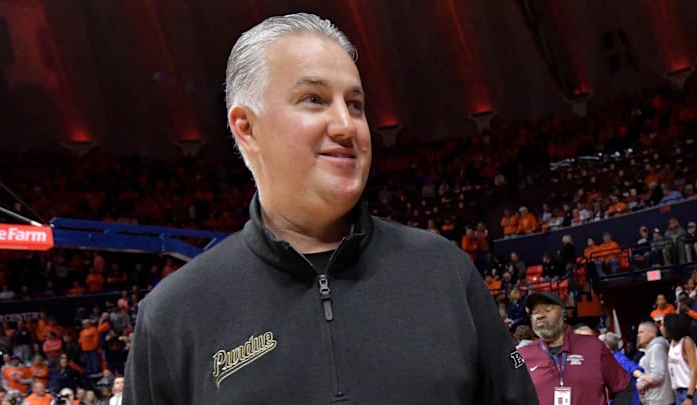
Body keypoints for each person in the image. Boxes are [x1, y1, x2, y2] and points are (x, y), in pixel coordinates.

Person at [124, 12, 538, 404]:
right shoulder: (173, 314)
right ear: (247, 128)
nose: (346, 125)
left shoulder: (446, 272)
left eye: (355, 104)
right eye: (313, 99)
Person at [518, 292, 633, 404]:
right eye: (534, 313)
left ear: (564, 314)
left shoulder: (593, 346)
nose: (540, 316)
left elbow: (624, 388)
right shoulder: (521, 355)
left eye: (547, 310)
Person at [599, 332, 644, 405]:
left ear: (606, 346)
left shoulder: (618, 358)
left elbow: (631, 367)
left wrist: (641, 376)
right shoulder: (607, 358)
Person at [635, 321, 674, 405]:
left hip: (659, 400)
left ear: (652, 333)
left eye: (641, 332)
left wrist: (639, 385)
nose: (638, 335)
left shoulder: (656, 348)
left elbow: (657, 375)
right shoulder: (653, 348)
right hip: (657, 398)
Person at [662, 313, 697, 404]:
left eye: (663, 325)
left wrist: (689, 396)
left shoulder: (686, 342)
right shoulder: (672, 343)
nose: (661, 328)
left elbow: (694, 369)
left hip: (691, 391)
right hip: (679, 392)